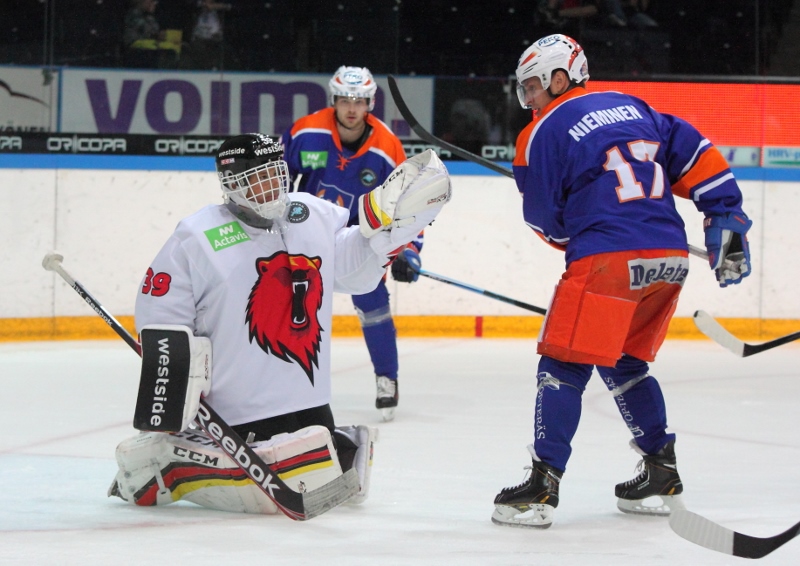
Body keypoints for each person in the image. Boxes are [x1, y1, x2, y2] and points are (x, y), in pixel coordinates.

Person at [107, 134, 451, 514]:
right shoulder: (197, 236)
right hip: (237, 410)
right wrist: (179, 378)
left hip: (310, 402)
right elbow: (160, 311)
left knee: (338, 467)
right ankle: (173, 464)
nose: (270, 187)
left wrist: (391, 232)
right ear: (231, 183)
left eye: (275, 175)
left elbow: (356, 275)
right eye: (257, 178)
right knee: (288, 482)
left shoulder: (311, 214)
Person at [491, 34, 752, 529]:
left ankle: (541, 486)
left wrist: (583, 225)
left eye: (532, 88)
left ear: (560, 78)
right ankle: (660, 471)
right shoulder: (634, 106)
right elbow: (699, 154)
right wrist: (726, 219)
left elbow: (547, 223)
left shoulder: (539, 132)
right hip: (670, 258)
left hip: (609, 258)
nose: (528, 100)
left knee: (563, 363)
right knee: (627, 362)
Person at [281, 66, 419, 422]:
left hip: (359, 235)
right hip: (307, 233)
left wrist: (409, 250)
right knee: (294, 306)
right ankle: (288, 381)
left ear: (370, 103)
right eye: (345, 100)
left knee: (373, 301)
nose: (352, 108)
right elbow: (276, 174)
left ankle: (387, 378)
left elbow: (409, 203)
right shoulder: (307, 130)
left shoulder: (387, 147)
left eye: (359, 101)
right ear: (334, 100)